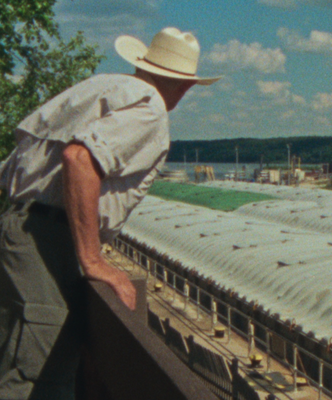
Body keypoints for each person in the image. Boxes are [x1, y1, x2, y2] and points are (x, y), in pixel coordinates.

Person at [0, 27, 220, 399]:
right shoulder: (150, 107)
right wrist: (93, 259)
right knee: (40, 381)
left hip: (19, 230)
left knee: (18, 363)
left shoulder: (104, 87)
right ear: (184, 86)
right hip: (47, 241)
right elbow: (80, 158)